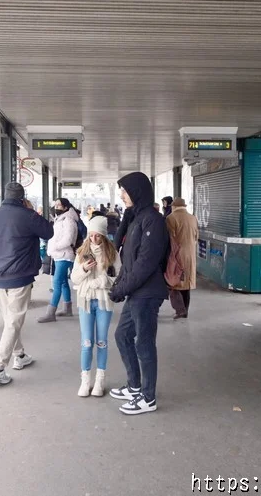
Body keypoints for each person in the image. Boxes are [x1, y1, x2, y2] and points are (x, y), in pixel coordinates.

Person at [0, 182, 54, 385]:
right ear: (22, 197)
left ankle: (20, 355)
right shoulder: (27, 215)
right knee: (13, 322)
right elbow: (49, 232)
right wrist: (31, 213)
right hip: (20, 276)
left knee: (10, 320)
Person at [108, 172, 169, 415]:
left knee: (144, 344)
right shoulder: (137, 218)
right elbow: (127, 259)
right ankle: (135, 386)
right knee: (122, 336)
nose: (121, 195)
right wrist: (119, 287)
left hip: (148, 293)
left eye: (125, 190)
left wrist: (121, 289)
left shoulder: (153, 220)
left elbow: (145, 263)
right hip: (136, 291)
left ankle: (148, 398)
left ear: (138, 191)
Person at [70, 215, 121, 397]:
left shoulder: (112, 253)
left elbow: (118, 276)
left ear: (104, 235)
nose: (93, 239)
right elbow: (74, 278)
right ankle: (85, 380)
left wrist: (100, 280)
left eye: (97, 235)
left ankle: (100, 380)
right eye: (91, 235)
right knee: (86, 342)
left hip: (103, 301)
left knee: (102, 341)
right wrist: (84, 270)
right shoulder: (81, 252)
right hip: (85, 301)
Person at [39, 198, 80, 323]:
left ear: (66, 207)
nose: (56, 207)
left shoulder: (68, 220)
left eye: (59, 205)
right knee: (62, 282)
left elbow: (68, 239)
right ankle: (67, 309)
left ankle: (50, 313)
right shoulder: (61, 219)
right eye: (55, 204)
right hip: (59, 255)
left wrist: (54, 247)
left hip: (64, 255)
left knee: (56, 283)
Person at [165, 198, 199, 319]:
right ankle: (185, 309)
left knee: (173, 283)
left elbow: (170, 238)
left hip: (177, 255)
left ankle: (180, 310)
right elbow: (196, 237)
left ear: (174, 207)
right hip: (191, 255)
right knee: (186, 284)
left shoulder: (171, 218)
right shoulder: (193, 218)